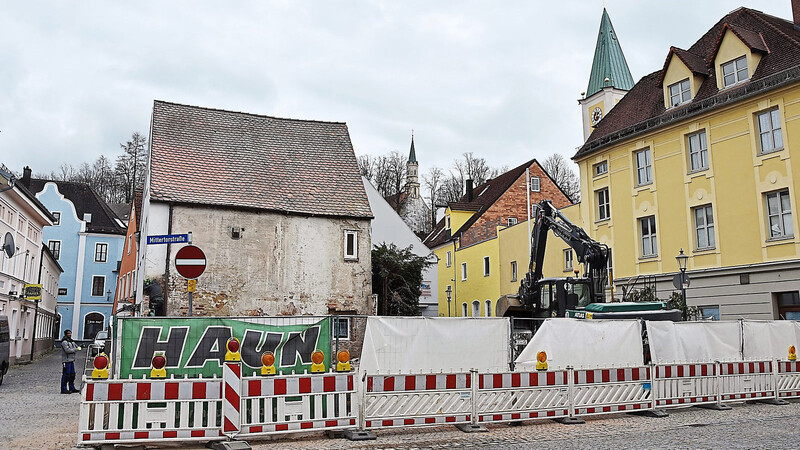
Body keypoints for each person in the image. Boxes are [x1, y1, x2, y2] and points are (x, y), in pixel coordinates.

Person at [60, 329, 81, 394]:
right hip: (66, 360)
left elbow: (76, 346)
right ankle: (64, 389)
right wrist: (76, 349)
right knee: (66, 375)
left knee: (72, 375)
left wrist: (79, 347)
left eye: (70, 333)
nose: (70, 334)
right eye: (68, 333)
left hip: (71, 360)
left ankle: (72, 388)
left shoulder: (71, 341)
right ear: (66, 334)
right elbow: (68, 350)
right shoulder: (64, 342)